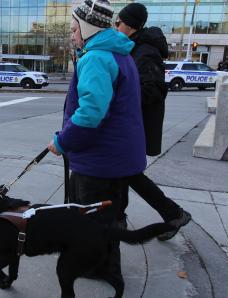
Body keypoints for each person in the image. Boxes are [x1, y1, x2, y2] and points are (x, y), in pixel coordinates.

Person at [47, 0, 147, 290]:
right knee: (110, 217)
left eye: (74, 28)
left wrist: (62, 142)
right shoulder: (119, 53)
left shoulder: (95, 57)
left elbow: (91, 113)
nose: (72, 35)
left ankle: (100, 267)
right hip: (118, 157)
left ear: (88, 28)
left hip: (98, 161)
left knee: (91, 219)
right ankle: (108, 265)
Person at [115, 2, 191, 241]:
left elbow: (154, 90)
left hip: (136, 125)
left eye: (118, 22)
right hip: (131, 124)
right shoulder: (136, 47)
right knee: (125, 174)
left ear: (129, 25)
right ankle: (171, 214)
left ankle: (171, 214)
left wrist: (122, 99)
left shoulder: (145, 51)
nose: (116, 26)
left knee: (126, 173)